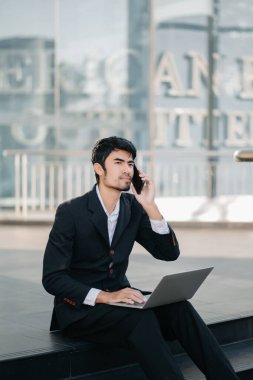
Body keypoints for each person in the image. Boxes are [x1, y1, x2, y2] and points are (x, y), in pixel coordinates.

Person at [42, 136, 239, 380]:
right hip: (80, 310)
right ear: (98, 168)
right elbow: (53, 278)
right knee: (141, 319)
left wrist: (150, 206)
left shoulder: (132, 207)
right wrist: (106, 296)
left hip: (121, 302)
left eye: (131, 163)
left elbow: (168, 253)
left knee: (180, 308)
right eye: (118, 162)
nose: (127, 169)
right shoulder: (71, 211)